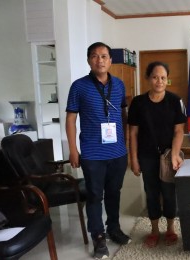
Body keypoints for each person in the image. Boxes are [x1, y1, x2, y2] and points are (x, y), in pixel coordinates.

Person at [66, 42, 131, 259]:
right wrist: (73, 149)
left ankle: (113, 228)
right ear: (88, 60)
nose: (100, 60)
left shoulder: (120, 85)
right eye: (95, 56)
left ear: (111, 60)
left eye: (104, 56)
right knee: (95, 195)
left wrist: (126, 144)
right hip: (92, 153)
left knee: (114, 192)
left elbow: (123, 115)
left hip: (118, 153)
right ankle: (98, 237)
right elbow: (71, 118)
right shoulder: (78, 86)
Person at [127, 61, 186, 248]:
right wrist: (133, 159)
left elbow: (179, 131)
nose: (159, 81)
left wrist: (176, 155)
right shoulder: (138, 103)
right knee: (151, 192)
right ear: (148, 78)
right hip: (147, 156)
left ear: (167, 79)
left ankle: (170, 228)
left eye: (163, 77)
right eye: (155, 77)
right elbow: (133, 133)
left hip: (169, 156)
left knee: (169, 193)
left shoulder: (175, 101)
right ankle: (154, 230)